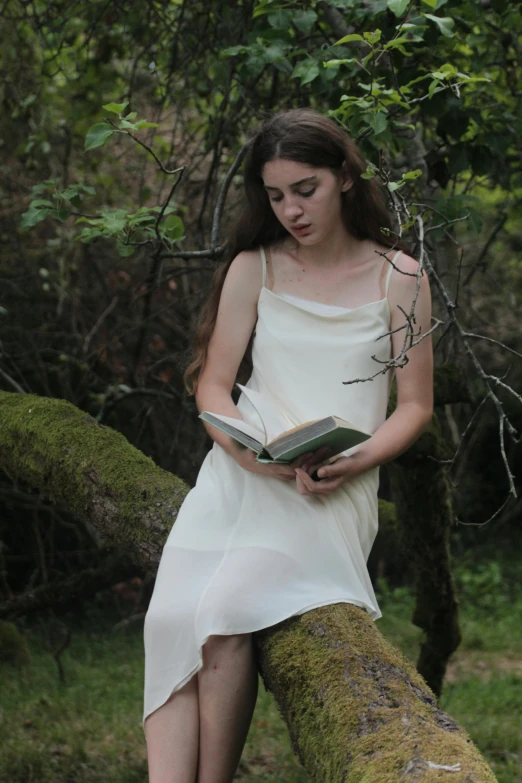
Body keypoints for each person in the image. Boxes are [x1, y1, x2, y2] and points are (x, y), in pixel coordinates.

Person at [143, 108, 433, 783]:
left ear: (346, 178)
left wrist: (358, 458)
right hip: (241, 470)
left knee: (222, 616)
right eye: (275, 196)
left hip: (332, 480)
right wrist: (245, 452)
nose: (291, 209)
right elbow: (214, 387)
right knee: (170, 618)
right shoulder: (256, 266)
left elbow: (414, 405)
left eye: (305, 189)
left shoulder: (401, 277)